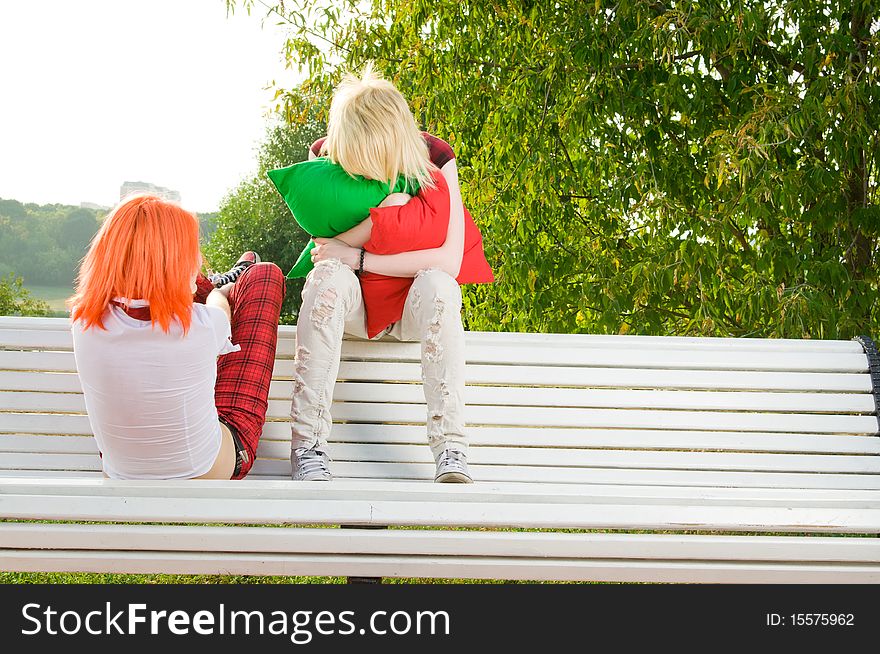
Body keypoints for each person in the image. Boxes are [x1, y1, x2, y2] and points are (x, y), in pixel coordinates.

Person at [290, 64, 494, 483]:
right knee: (326, 278)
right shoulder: (323, 151)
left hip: (410, 308)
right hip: (354, 307)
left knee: (440, 285)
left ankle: (451, 447)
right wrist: (376, 225)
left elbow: (449, 261)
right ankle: (308, 445)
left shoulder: (437, 157)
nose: (361, 173)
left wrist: (362, 258)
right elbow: (324, 248)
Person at [69, 194, 285, 480]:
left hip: (122, 471)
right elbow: (219, 311)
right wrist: (219, 294)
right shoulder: (202, 324)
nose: (196, 258)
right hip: (209, 469)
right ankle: (227, 280)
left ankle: (221, 278)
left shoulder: (83, 322)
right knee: (263, 276)